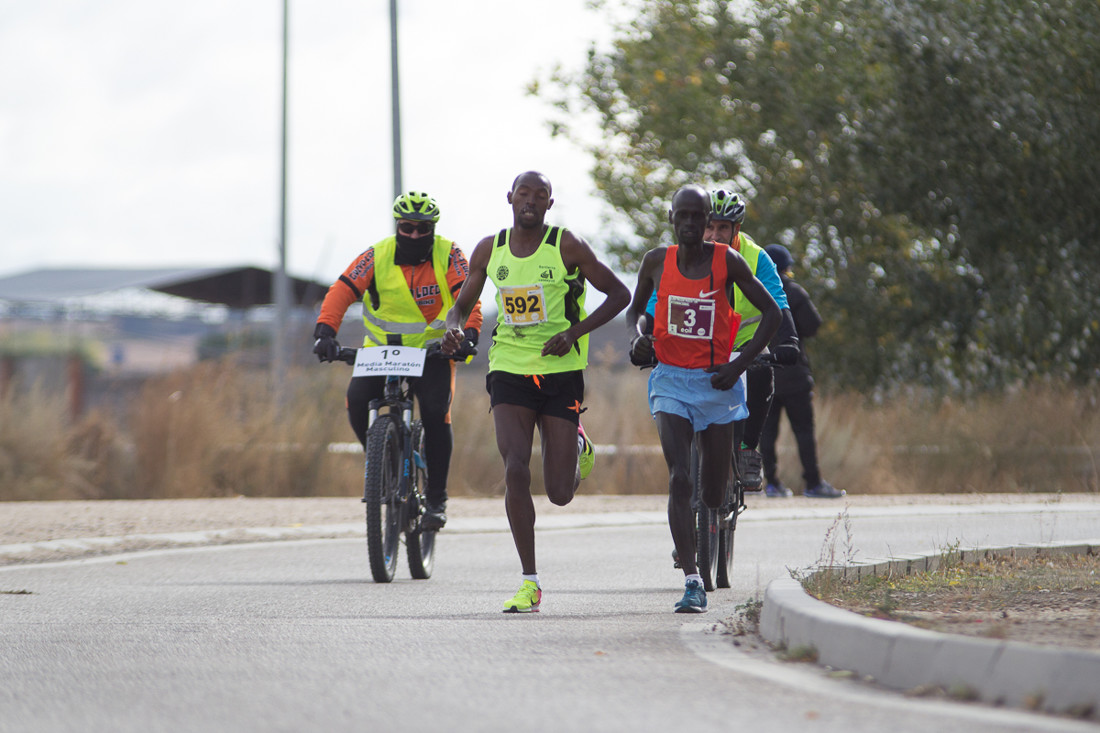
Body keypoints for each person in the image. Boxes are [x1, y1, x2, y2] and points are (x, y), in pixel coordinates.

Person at [441, 171, 629, 613]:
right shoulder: (490, 248)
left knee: (560, 492)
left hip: (560, 371)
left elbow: (619, 295)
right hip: (508, 368)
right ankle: (530, 581)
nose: (530, 200)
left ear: (549, 204)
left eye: (539, 195)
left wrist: (573, 333)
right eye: (523, 193)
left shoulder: (567, 245)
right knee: (515, 469)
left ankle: (577, 443)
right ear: (510, 198)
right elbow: (461, 307)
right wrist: (453, 329)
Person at [627, 184, 780, 613]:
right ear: (672, 219)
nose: (693, 224)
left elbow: (771, 313)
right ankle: (692, 580)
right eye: (685, 216)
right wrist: (638, 338)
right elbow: (635, 311)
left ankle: (719, 505)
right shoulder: (656, 261)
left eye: (701, 217)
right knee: (680, 478)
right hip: (671, 381)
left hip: (717, 383)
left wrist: (738, 364)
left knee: (712, 493)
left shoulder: (727, 261)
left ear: (709, 219)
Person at [313, 191, 483, 530]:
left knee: (436, 412)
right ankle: (383, 464)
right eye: (407, 228)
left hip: (432, 352)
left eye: (423, 229)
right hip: (381, 352)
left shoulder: (449, 254)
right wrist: (325, 333)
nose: (415, 235)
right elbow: (342, 290)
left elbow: (468, 296)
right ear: (397, 226)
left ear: (433, 228)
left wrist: (469, 335)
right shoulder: (376, 255)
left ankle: (436, 499)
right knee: (357, 401)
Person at [643, 190, 798, 494]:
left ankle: (748, 449)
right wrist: (645, 338)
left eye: (723, 228)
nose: (714, 235)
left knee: (761, 372)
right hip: (697, 349)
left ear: (736, 229)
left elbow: (778, 304)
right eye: (709, 227)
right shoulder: (679, 255)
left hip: (743, 343)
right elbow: (654, 304)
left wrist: (789, 341)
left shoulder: (755, 258)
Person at [759, 244, 845, 498]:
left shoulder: (753, 291)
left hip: (765, 374)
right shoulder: (794, 293)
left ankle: (771, 483)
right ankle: (813, 483)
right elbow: (813, 325)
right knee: (804, 432)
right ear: (786, 268)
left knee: (766, 432)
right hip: (795, 375)